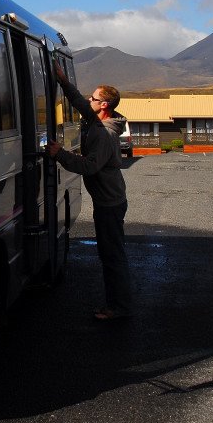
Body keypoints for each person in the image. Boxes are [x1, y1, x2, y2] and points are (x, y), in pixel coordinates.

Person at [45, 61, 132, 320]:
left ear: (104, 105)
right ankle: (118, 304)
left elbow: (91, 166)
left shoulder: (104, 134)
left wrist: (60, 154)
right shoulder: (96, 121)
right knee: (110, 253)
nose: (89, 101)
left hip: (110, 203)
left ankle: (119, 307)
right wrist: (63, 81)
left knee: (112, 256)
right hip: (108, 200)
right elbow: (81, 105)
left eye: (93, 98)